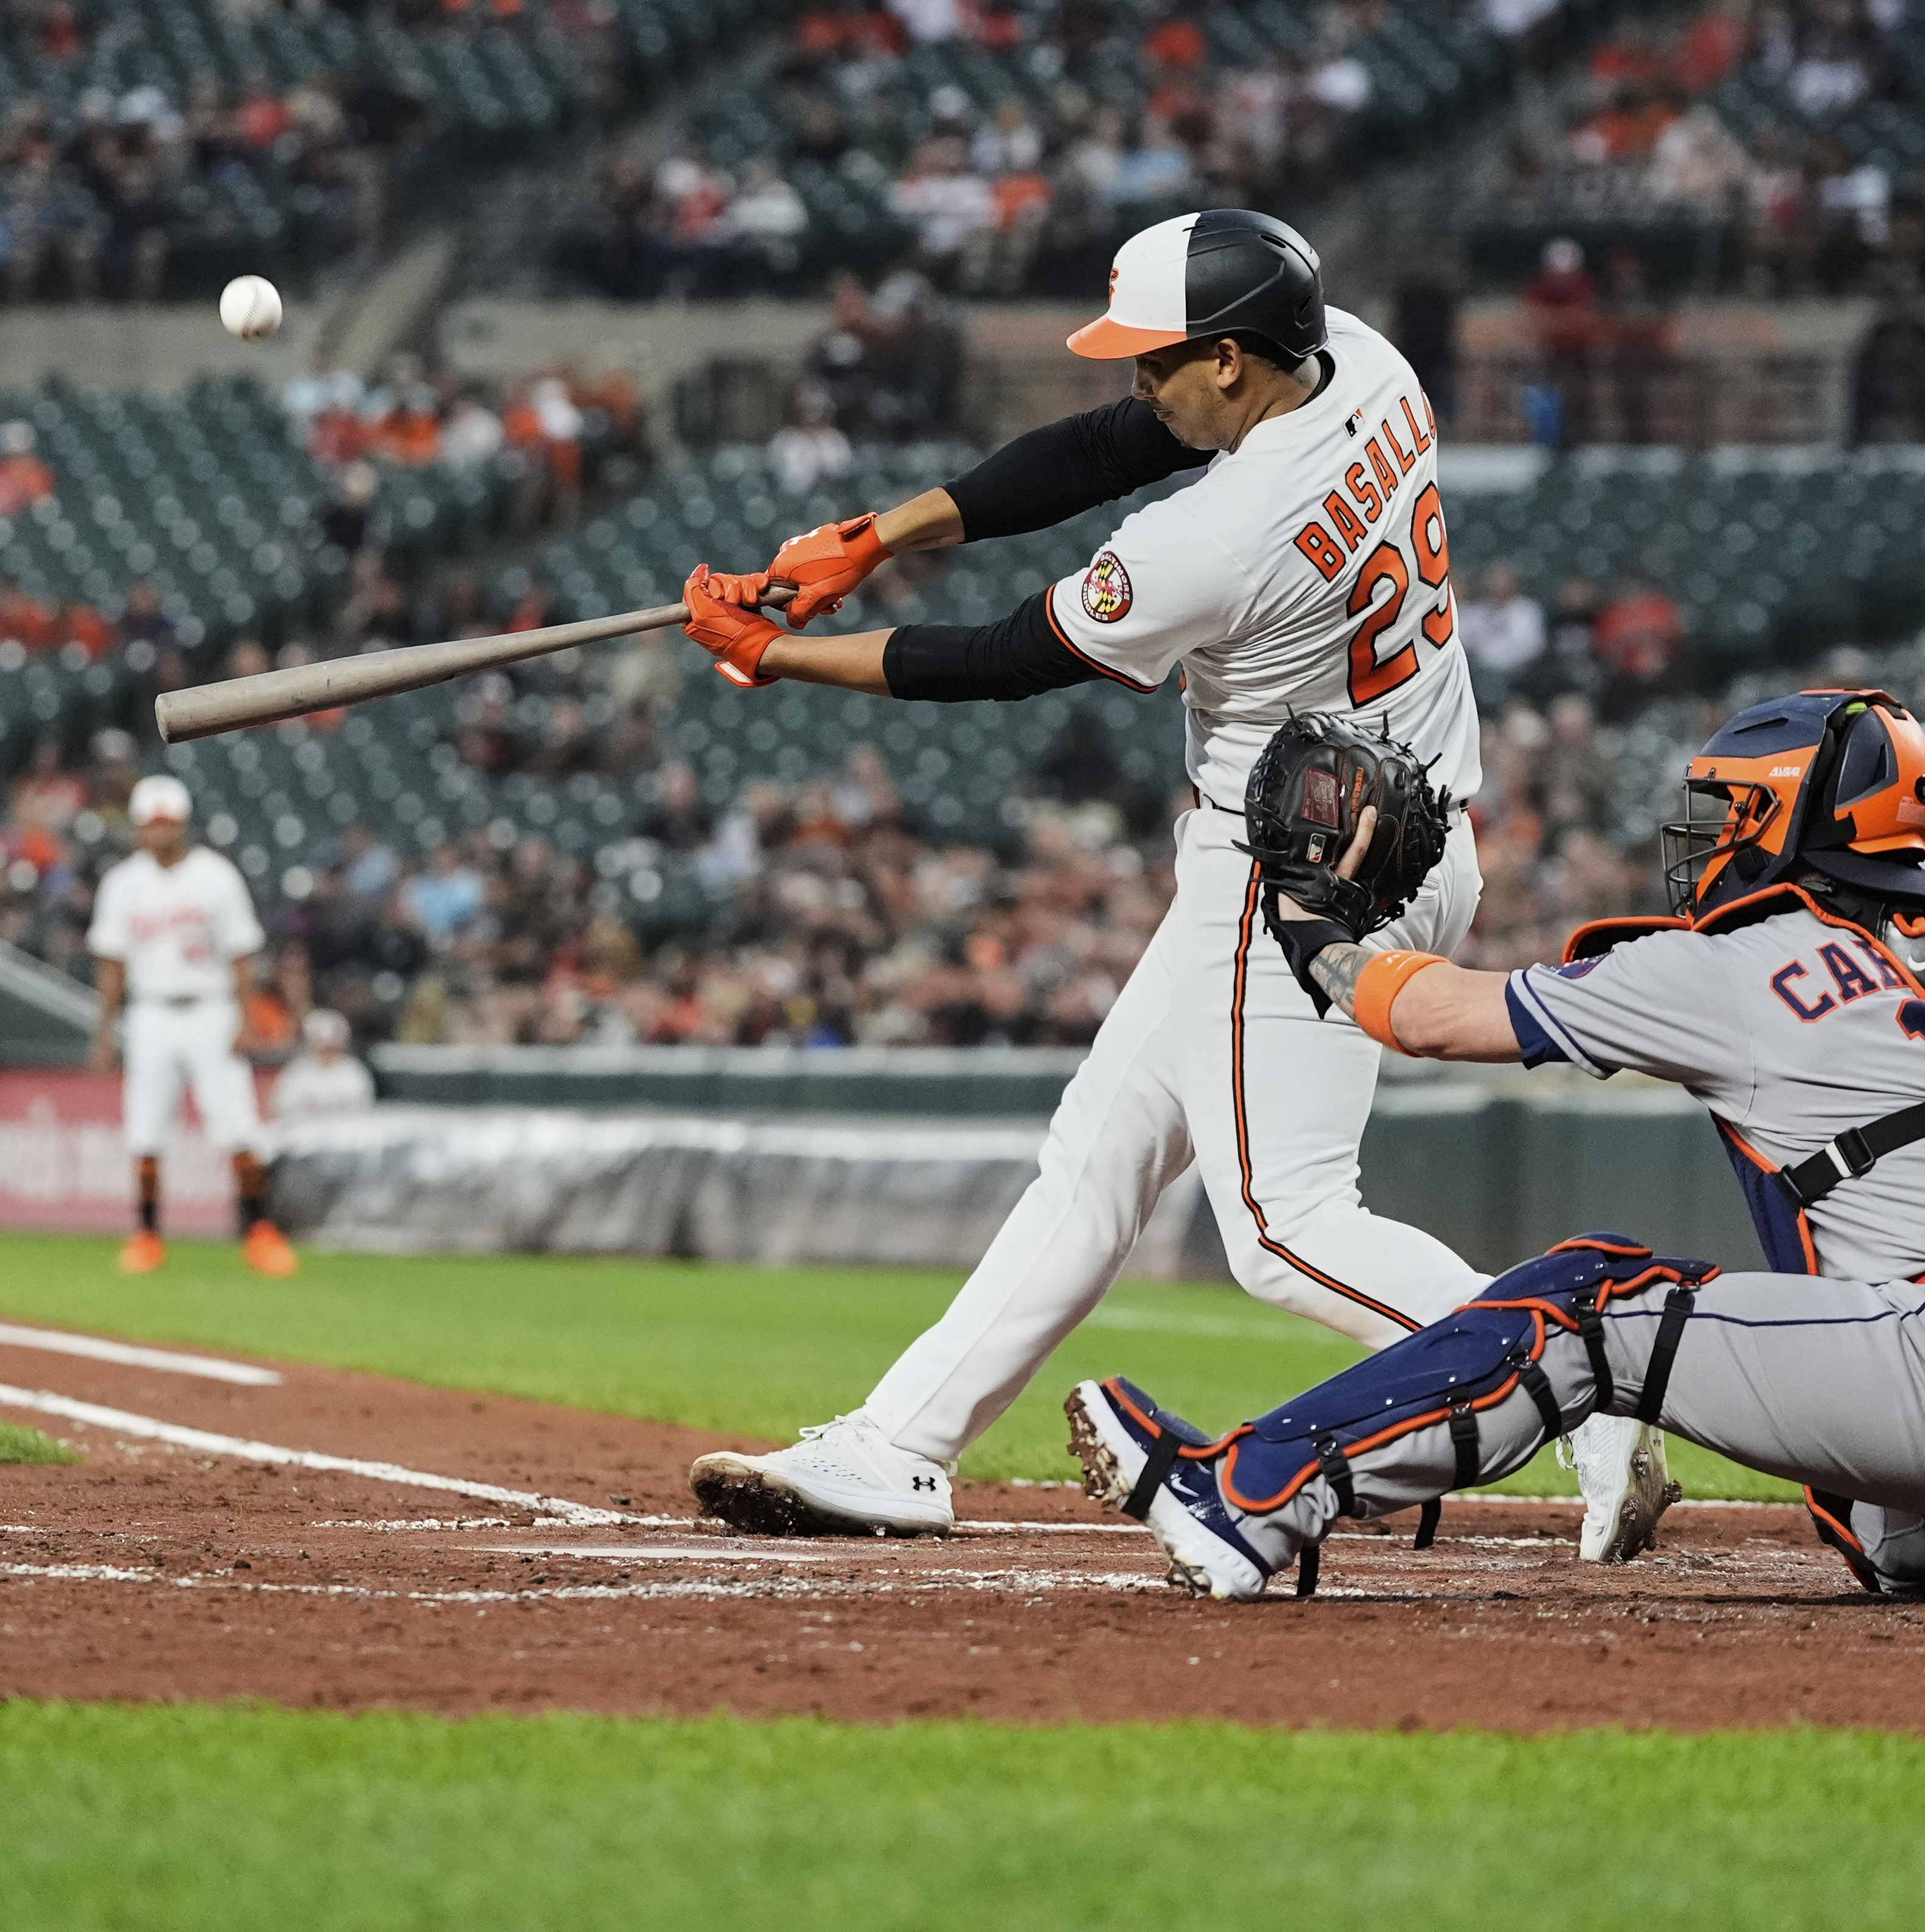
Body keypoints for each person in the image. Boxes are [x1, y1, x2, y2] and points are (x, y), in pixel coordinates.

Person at [676, 210, 1663, 1559]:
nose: (1140, 384)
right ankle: (900, 1445)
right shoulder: (1362, 361)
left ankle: (1587, 1378)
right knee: (1098, 1156)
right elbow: (1106, 447)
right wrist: (873, 535)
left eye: (1162, 361)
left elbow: (1007, 658)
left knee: (1281, 1222)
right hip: (1405, 823)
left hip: (1300, 872)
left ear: (1237, 362)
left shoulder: (1221, 533)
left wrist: (778, 655)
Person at [1062, 689, 1925, 1601]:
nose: (1706, 837)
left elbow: (1430, 1015)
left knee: (1588, 1296)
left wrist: (1314, 926)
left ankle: (1249, 1492)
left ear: (1790, 819)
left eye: (1731, 810)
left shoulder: (1731, 963)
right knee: (1881, 1530)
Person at [86, 776, 297, 1277]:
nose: (158, 833)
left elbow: (241, 953)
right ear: (138, 828)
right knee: (145, 1131)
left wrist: (246, 1017)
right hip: (151, 1011)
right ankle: (146, 1234)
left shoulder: (215, 877)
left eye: (167, 824)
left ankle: (259, 1231)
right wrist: (103, 1031)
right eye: (151, 825)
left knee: (239, 1126)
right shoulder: (123, 882)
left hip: (210, 1007)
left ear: (182, 825)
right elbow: (112, 965)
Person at [270, 1008, 375, 1122]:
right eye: (323, 1047)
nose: (328, 1051)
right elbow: (283, 1109)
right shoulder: (297, 1072)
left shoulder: (354, 1072)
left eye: (332, 1048)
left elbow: (363, 1112)